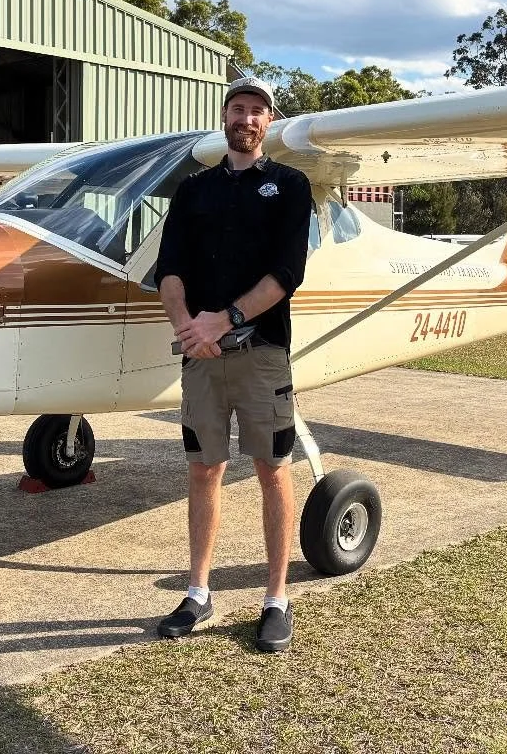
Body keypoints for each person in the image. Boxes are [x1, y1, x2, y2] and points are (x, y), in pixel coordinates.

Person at [152, 75, 313, 653]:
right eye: (238, 108)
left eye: (257, 110)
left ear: (268, 122)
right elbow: (170, 270)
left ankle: (276, 599)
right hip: (201, 357)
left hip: (262, 352)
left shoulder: (291, 186)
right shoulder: (193, 191)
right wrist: (186, 329)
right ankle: (198, 591)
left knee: (273, 469)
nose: (246, 118)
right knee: (204, 471)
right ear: (224, 116)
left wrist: (223, 319)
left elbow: (285, 275)